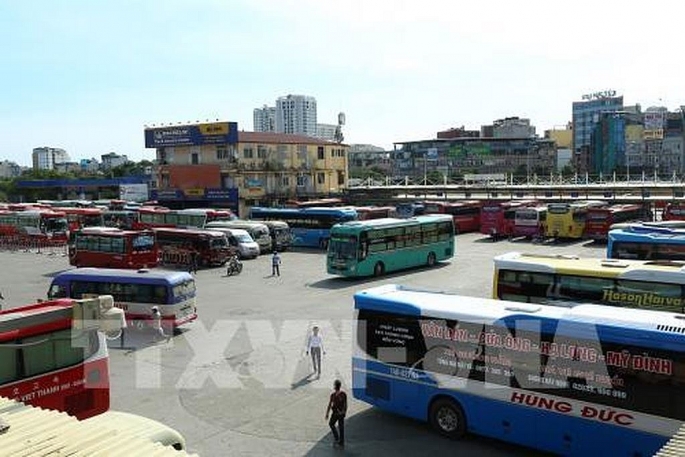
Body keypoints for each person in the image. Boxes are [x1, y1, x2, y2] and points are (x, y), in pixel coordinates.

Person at [325, 379, 347, 448]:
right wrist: (344, 411)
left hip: (335, 413)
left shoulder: (333, 395)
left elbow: (329, 405)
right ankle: (341, 442)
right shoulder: (343, 394)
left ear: (335, 386)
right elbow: (345, 404)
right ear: (340, 386)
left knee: (331, 424)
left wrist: (327, 414)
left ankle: (337, 438)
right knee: (341, 427)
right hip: (341, 414)